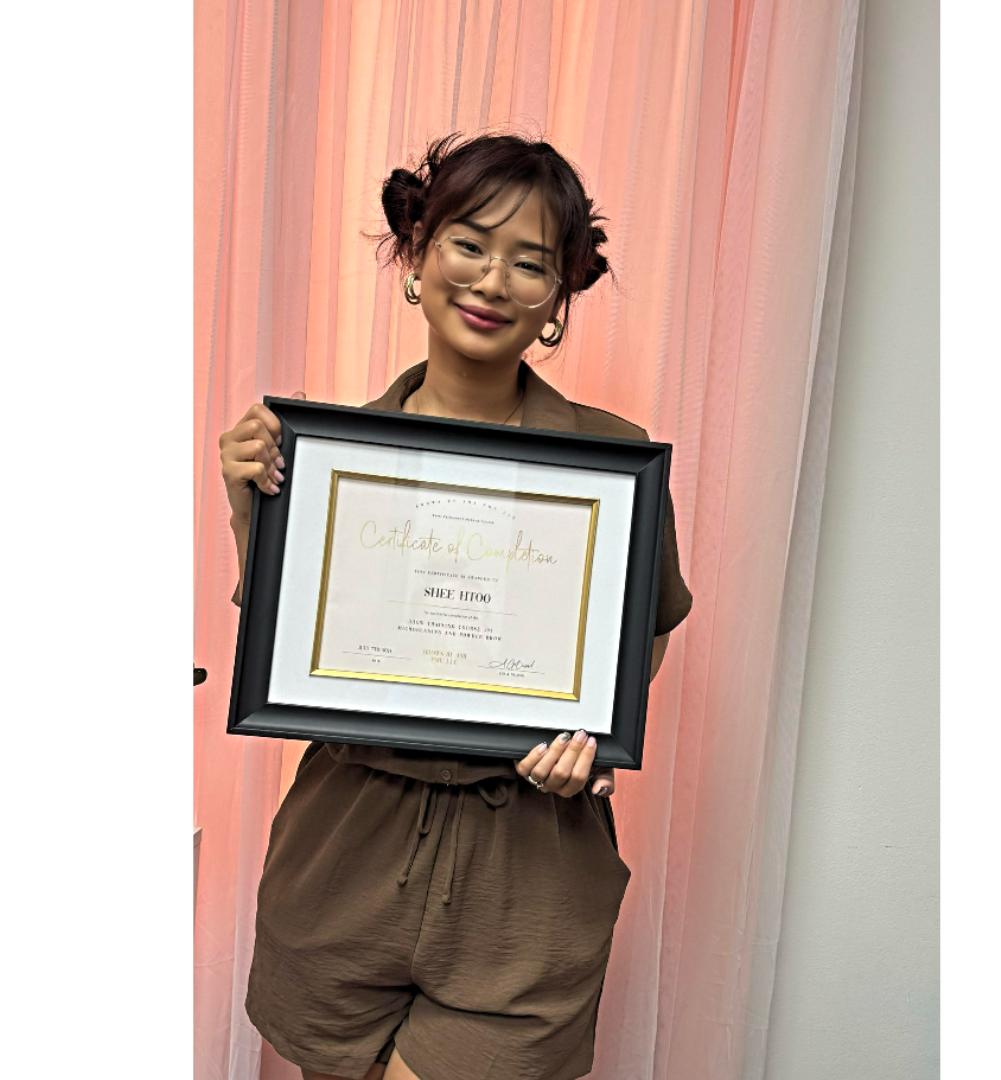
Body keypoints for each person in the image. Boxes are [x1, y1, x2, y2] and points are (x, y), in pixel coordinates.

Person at [218, 132, 693, 1080]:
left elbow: (640, 637)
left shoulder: (612, 463)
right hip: (344, 850)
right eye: (470, 243)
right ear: (418, 254)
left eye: (531, 263)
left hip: (527, 870)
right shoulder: (329, 464)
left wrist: (591, 742)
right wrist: (250, 513)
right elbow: (296, 648)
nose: (493, 281)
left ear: (558, 298)